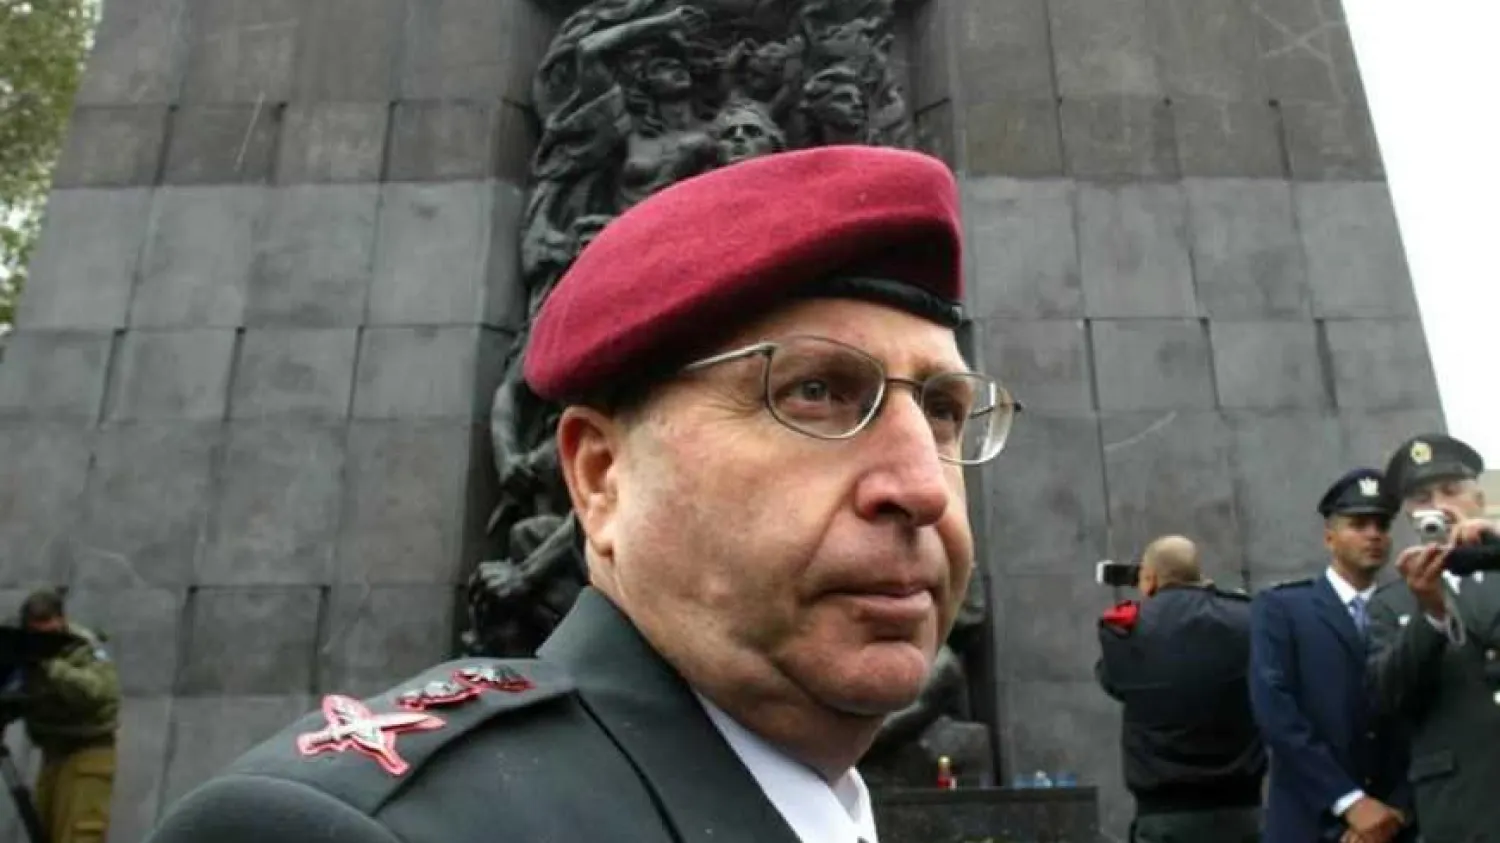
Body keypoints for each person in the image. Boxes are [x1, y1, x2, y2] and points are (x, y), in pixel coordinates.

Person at [141, 145, 1020, 843]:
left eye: (942, 410)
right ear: (601, 475)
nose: (922, 489)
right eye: (816, 392)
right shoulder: (338, 832)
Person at [1249, 469, 1414, 843]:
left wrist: (1396, 809)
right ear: (1329, 538)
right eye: (1358, 524)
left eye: (1382, 525)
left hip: (1396, 825)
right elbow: (1277, 715)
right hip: (1310, 822)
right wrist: (1350, 803)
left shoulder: (1412, 608)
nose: (1373, 534)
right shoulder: (1283, 609)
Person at [1367, 433, 1500, 843]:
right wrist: (1431, 614)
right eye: (1422, 498)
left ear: (1477, 500)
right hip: (1463, 809)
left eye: (1451, 491)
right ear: (1409, 515)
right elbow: (1390, 696)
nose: (1439, 506)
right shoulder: (1391, 603)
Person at [1094, 535, 1265, 843]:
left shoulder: (1126, 629)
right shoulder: (1248, 617)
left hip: (1164, 818)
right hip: (1242, 814)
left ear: (1149, 578)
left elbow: (1112, 680)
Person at [14, 589, 120, 843]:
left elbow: (98, 691)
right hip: (53, 752)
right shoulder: (20, 650)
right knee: (45, 832)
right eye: (36, 635)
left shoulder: (83, 647)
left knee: (80, 834)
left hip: (88, 750)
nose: (43, 642)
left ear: (62, 622)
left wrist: (50, 667)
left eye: (49, 634)